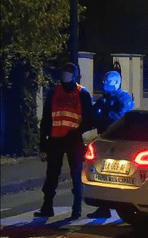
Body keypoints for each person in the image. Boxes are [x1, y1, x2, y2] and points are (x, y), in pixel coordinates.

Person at [35, 63, 93, 218]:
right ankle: (47, 206)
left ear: (74, 74)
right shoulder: (54, 92)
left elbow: (89, 119)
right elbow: (46, 119)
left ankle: (76, 208)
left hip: (73, 139)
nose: (65, 75)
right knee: (52, 174)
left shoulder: (82, 94)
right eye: (64, 72)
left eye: (68, 72)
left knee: (76, 174)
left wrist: (80, 133)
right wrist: (43, 145)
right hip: (56, 138)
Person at [86, 71, 134, 219]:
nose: (106, 84)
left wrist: (102, 117)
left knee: (122, 177)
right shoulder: (104, 99)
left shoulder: (124, 98)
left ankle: (127, 208)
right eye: (105, 81)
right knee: (103, 175)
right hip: (105, 141)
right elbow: (93, 116)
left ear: (116, 82)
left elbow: (117, 117)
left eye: (109, 81)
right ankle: (103, 208)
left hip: (120, 142)